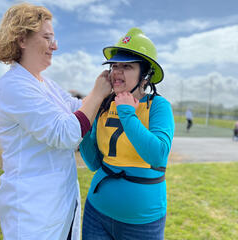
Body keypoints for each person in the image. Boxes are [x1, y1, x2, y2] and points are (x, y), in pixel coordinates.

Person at [0, 3, 111, 240]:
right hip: (33, 212)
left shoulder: (44, 83)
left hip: (59, 207)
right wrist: (99, 92)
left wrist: (109, 86)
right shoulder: (13, 86)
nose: (55, 45)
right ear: (22, 39)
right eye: (47, 37)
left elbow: (78, 108)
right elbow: (66, 134)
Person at [79, 28, 175, 240]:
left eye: (127, 66)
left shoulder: (158, 106)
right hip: (97, 212)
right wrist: (85, 128)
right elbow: (94, 163)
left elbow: (158, 155)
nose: (116, 72)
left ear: (145, 75)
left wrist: (127, 113)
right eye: (114, 66)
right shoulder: (103, 104)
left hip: (142, 222)